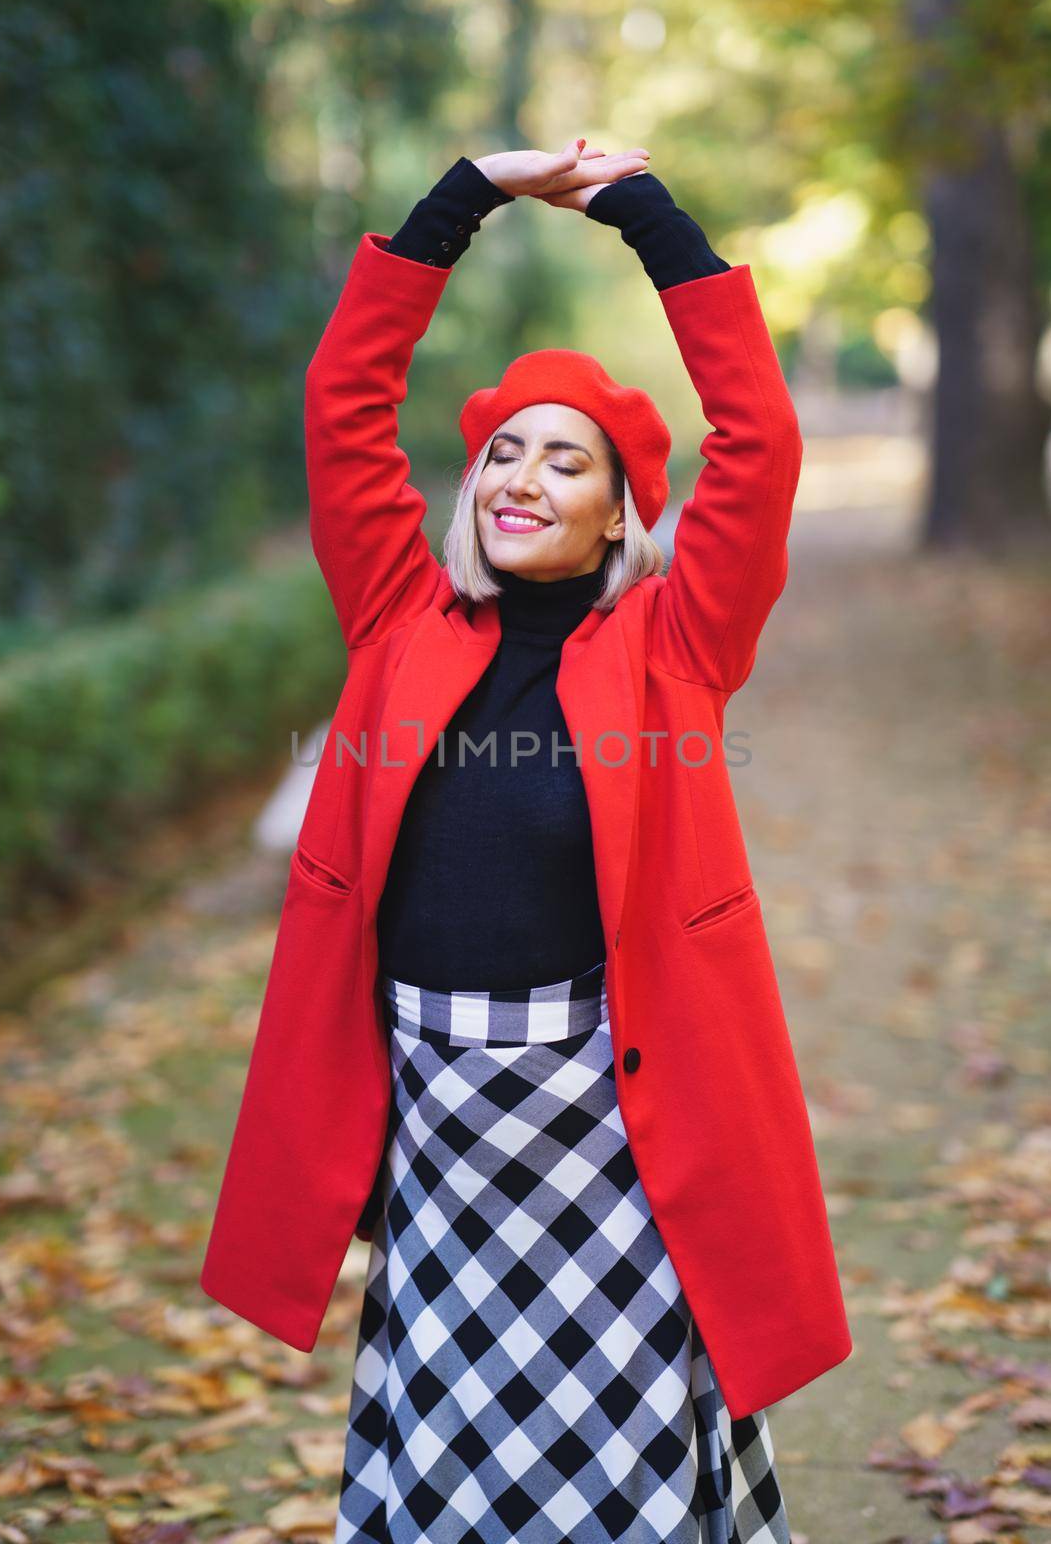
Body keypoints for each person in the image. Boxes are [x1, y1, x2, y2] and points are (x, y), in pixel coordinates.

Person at [332, 140, 794, 1544]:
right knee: (452, 1439)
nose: (523, 477)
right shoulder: (400, 613)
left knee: (614, 1465)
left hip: (606, 1113)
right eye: (503, 452)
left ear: (617, 513)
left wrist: (648, 221)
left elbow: (759, 439)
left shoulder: (674, 642)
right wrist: (460, 196)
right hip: (437, 1115)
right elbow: (346, 403)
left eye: (566, 460)